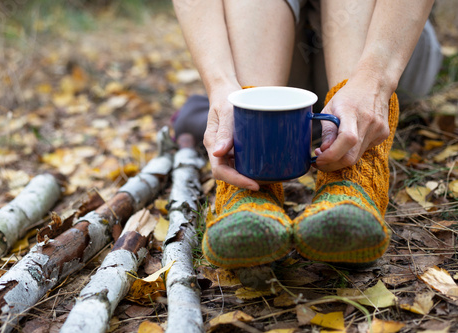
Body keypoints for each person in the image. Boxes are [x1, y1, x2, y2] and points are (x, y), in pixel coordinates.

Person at [172, 0, 442, 268]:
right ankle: (250, 191)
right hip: (285, 65)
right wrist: (221, 87)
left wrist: (375, 79)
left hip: (389, 45)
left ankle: (353, 177)